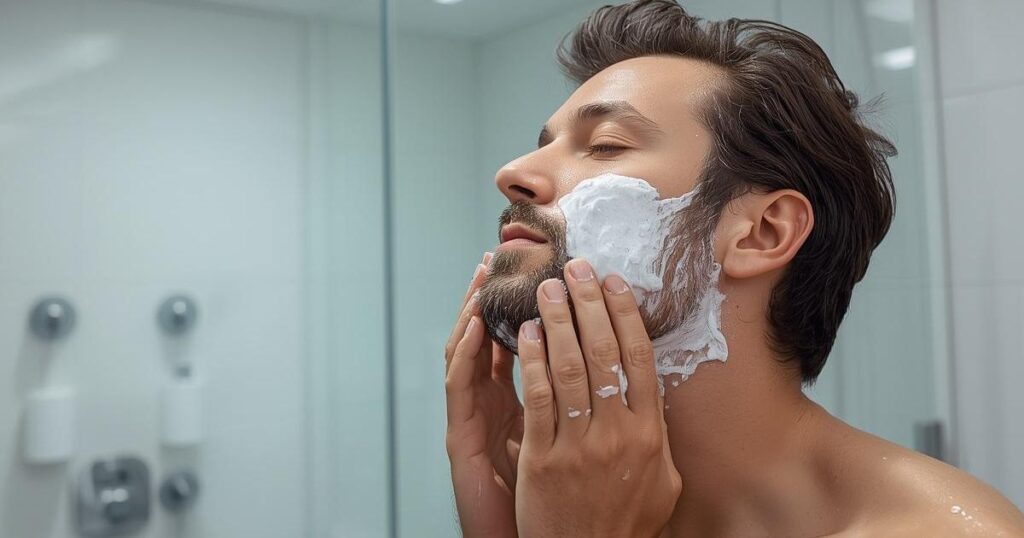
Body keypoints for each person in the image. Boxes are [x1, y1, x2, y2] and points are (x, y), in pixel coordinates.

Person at [443, 1, 1024, 536]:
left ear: (762, 232)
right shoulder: (550, 505)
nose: (513, 171)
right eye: (543, 144)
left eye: (606, 145)